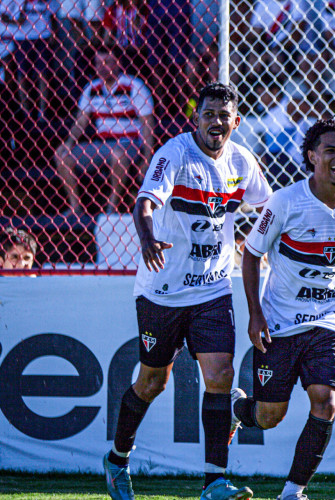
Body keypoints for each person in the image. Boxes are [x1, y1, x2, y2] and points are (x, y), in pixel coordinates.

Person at [103, 82, 271, 500]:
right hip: (162, 291)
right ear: (195, 119)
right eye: (208, 114)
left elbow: (271, 207)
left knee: (220, 376)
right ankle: (117, 460)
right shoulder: (174, 154)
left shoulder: (243, 161)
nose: (216, 122)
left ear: (236, 121)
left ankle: (214, 482)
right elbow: (144, 203)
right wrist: (145, 238)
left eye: (223, 116)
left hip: (212, 289)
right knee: (153, 382)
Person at [229, 118, 335, 500]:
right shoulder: (285, 202)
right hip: (280, 323)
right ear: (311, 156)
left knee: (326, 401)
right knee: (269, 417)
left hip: (330, 320)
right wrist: (255, 313)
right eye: (330, 150)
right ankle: (239, 410)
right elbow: (252, 254)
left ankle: (293, 491)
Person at [54, 44, 154, 215]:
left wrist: (147, 157)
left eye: (107, 62)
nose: (101, 67)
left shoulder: (134, 86)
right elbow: (80, 122)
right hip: (102, 144)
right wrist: (69, 143)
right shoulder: (92, 88)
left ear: (118, 63)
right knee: (61, 155)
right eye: (98, 63)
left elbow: (147, 124)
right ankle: (75, 207)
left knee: (118, 154)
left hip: (129, 143)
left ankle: (111, 207)